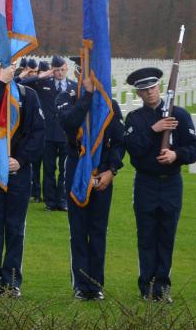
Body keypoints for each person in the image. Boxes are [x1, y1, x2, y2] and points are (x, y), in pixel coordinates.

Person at [123, 67, 196, 303]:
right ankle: (147, 284)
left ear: (160, 86)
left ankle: (163, 285)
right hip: (146, 183)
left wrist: (176, 155)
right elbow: (134, 150)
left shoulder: (179, 114)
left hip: (171, 184)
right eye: (144, 90)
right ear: (139, 94)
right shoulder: (135, 119)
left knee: (167, 235)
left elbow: (194, 148)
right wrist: (153, 130)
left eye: (153, 87)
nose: (150, 93)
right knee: (147, 236)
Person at [0, 47, 45, 297]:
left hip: (19, 170)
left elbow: (37, 132)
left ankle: (12, 280)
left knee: (15, 227)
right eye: (0, 64)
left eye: (10, 65)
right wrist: (0, 85)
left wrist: (21, 160)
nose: (5, 69)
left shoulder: (28, 95)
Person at [57, 66, 125, 300]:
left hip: (103, 172)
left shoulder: (109, 105)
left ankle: (95, 285)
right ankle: (80, 284)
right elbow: (68, 122)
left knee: (98, 231)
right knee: (78, 230)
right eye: (83, 72)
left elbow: (119, 141)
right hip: (77, 168)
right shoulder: (66, 98)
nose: (87, 77)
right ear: (77, 74)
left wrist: (112, 171)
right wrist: (86, 96)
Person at [21, 55, 77, 211]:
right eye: (56, 70)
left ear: (66, 68)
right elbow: (21, 83)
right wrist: (42, 75)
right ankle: (50, 201)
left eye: (61, 69)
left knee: (65, 170)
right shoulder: (43, 83)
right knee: (49, 169)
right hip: (49, 134)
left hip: (67, 134)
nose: (59, 73)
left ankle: (63, 200)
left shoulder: (74, 86)